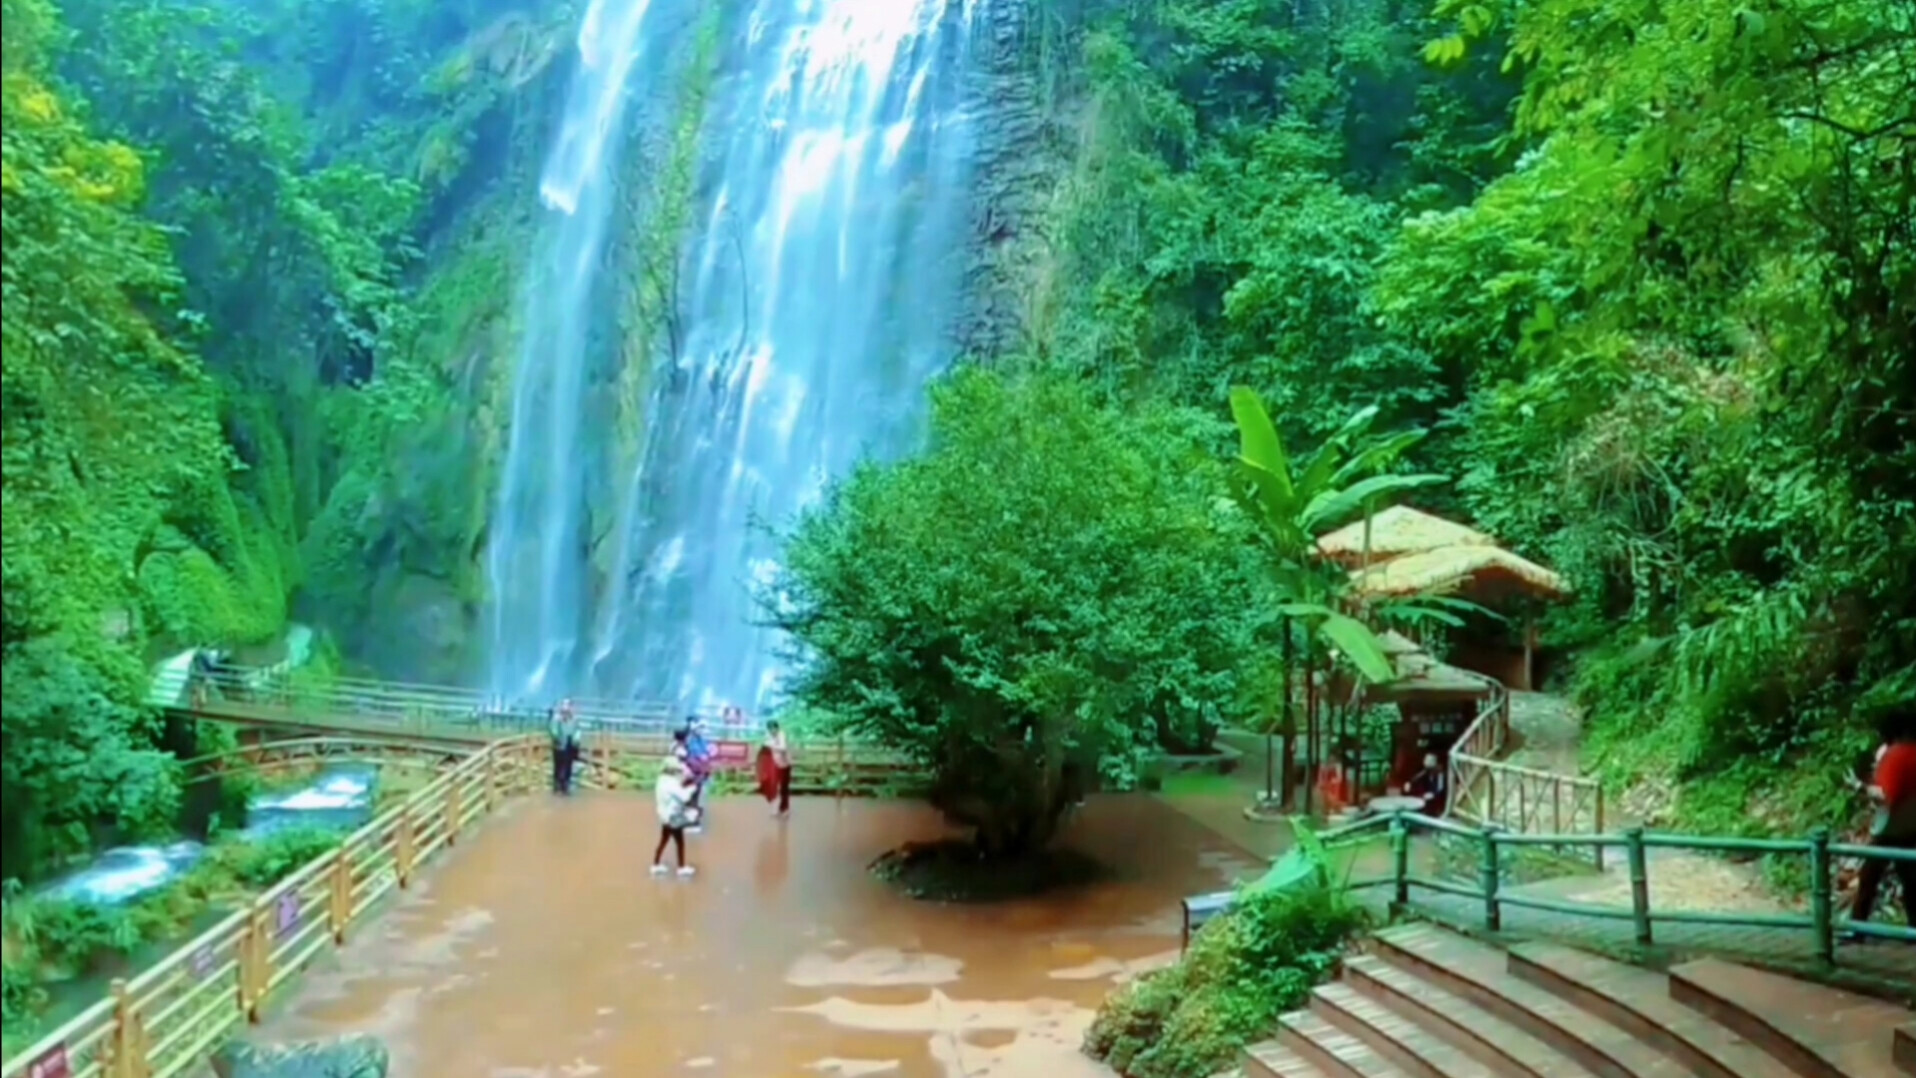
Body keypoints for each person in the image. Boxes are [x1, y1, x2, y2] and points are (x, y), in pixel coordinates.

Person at [1850, 721, 1916, 929]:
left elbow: (1886, 795)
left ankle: (1857, 927)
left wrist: (1860, 787)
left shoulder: (1895, 756)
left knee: (1868, 879)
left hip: (1889, 829)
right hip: (1911, 826)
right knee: (1911, 882)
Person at [651, 755, 697, 877]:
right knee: (680, 842)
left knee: (664, 840)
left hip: (664, 815)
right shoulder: (671, 783)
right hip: (673, 816)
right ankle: (681, 867)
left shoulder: (661, 780)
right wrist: (692, 788)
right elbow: (684, 797)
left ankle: (656, 864)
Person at [549, 699, 581, 795]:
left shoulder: (574, 719)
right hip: (558, 744)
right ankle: (557, 784)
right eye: (564, 705)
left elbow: (577, 730)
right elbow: (553, 729)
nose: (566, 707)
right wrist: (556, 737)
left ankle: (565, 784)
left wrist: (576, 739)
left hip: (569, 745)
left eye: (568, 705)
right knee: (558, 764)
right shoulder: (556, 718)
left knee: (568, 765)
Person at [766, 720, 793, 818]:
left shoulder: (782, 735)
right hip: (776, 764)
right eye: (770, 728)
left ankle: (785, 809)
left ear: (777, 728)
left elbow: (783, 747)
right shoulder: (769, 736)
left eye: (774, 728)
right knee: (774, 786)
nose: (773, 730)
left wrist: (772, 746)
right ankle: (775, 809)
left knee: (784, 787)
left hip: (785, 764)